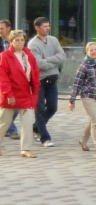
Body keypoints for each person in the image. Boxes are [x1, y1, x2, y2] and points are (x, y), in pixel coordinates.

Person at [0, 29, 40, 157]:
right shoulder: (5, 56)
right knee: (4, 123)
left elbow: (35, 72)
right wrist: (8, 93)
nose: (20, 42)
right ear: (11, 41)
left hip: (26, 93)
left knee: (28, 122)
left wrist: (36, 90)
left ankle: (26, 149)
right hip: (10, 94)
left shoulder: (29, 55)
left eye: (22, 40)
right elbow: (3, 77)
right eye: (17, 40)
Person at [68, 41, 96, 155]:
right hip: (88, 96)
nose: (93, 52)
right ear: (87, 52)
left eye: (95, 49)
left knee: (94, 121)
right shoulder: (84, 66)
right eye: (91, 50)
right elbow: (77, 83)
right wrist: (72, 100)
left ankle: (83, 140)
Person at [28, 16, 65, 147]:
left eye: (48, 26)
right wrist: (53, 62)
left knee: (53, 107)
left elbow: (62, 57)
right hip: (39, 80)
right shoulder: (33, 44)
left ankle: (36, 127)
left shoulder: (53, 40)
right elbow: (38, 64)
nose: (48, 28)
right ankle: (45, 138)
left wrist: (47, 60)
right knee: (40, 109)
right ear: (37, 28)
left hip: (52, 79)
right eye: (45, 26)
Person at [0, 20, 14, 139]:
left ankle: (8, 127)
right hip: (2, 75)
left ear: (8, 28)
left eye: (1, 28)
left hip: (15, 76)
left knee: (12, 103)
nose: (0, 31)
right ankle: (12, 129)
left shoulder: (15, 41)